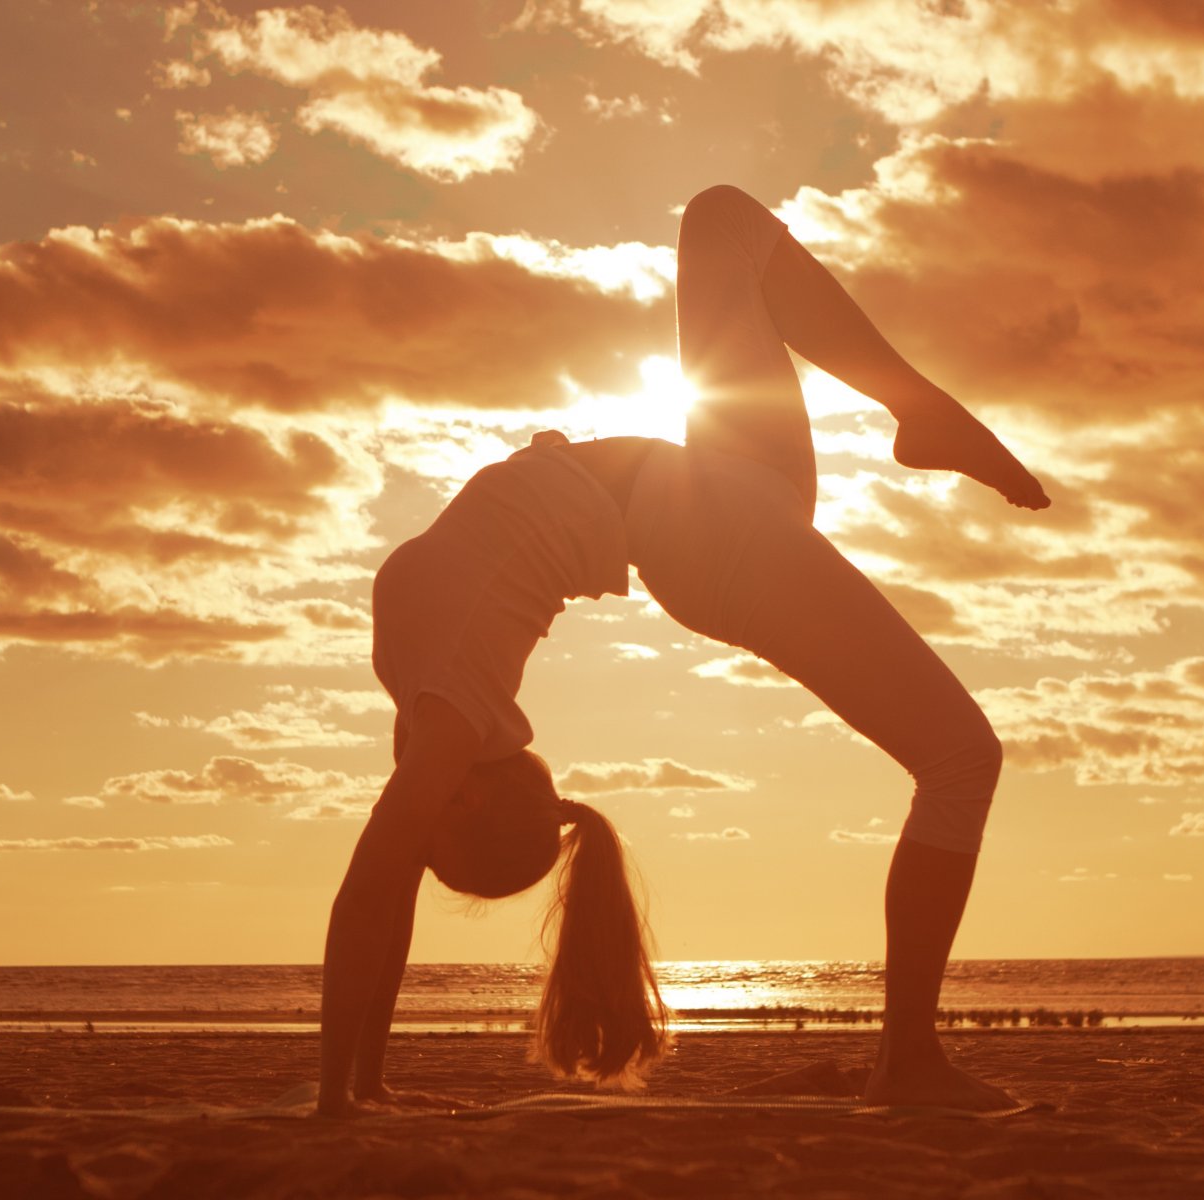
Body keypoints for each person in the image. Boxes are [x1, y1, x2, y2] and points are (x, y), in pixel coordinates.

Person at [316, 184, 1048, 1117]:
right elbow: (375, 889)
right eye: (430, 837)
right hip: (711, 535)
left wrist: (360, 1085)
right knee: (961, 757)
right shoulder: (452, 714)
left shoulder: (432, 706)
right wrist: (341, 1099)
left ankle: (918, 409)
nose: (407, 830)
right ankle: (906, 1060)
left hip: (710, 492)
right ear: (459, 804)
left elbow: (381, 896)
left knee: (724, 223)